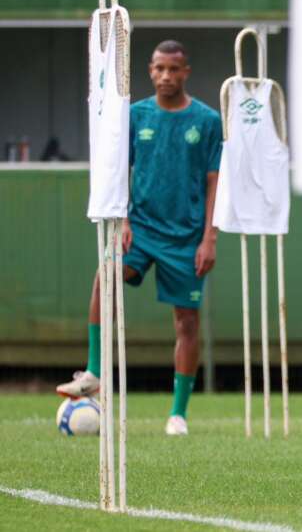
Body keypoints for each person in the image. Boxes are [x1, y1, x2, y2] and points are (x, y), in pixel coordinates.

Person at [58, 40, 223, 436]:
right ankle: (94, 372)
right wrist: (124, 220)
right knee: (106, 276)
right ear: (149, 70)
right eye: (159, 68)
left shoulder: (207, 121)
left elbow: (215, 182)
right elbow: (119, 171)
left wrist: (209, 238)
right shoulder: (135, 115)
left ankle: (178, 414)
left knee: (186, 322)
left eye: (173, 69)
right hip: (141, 229)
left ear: (185, 72)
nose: (166, 76)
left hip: (186, 238)